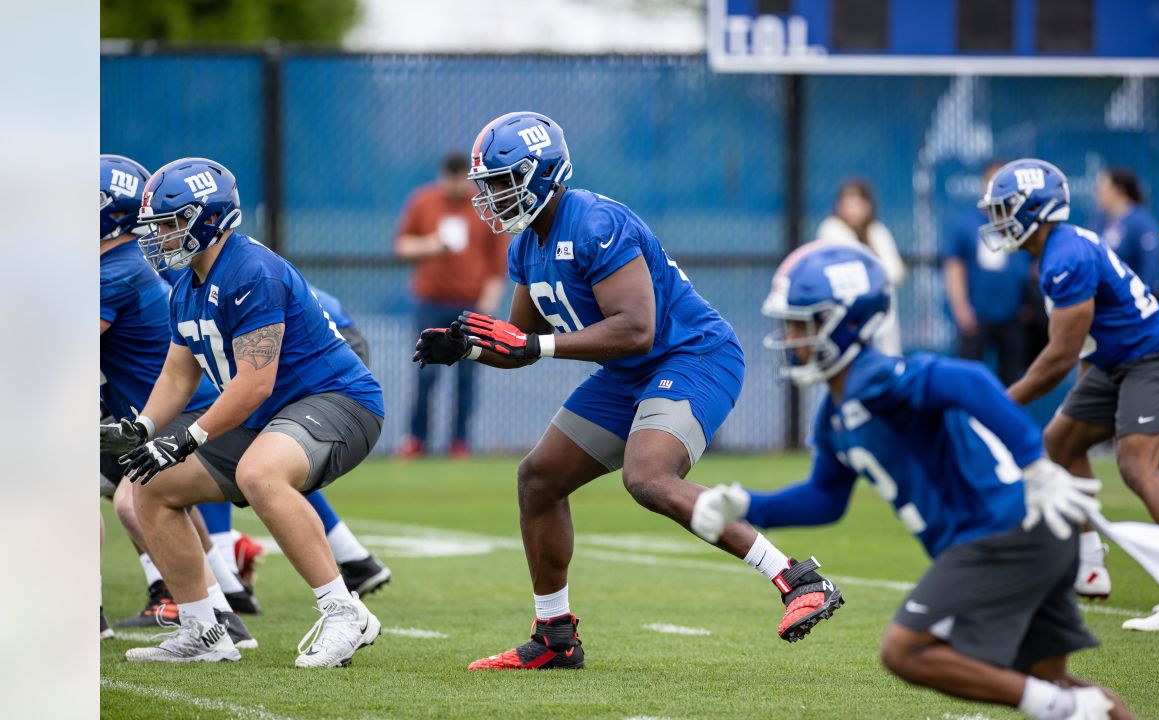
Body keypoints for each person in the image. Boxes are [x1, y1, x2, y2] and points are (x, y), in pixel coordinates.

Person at [414, 112, 844, 670]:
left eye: (501, 181)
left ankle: (796, 579)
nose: (492, 196)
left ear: (544, 173)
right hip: (630, 371)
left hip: (692, 356)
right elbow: (525, 340)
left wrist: (532, 347)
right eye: (487, 184)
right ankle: (554, 637)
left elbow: (635, 327)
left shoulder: (595, 222)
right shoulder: (527, 245)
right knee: (539, 478)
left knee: (648, 477)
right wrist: (469, 347)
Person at [693, 240, 1133, 720]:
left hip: (1004, 532)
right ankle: (1064, 703)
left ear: (849, 320)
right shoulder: (835, 411)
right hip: (1026, 536)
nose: (791, 334)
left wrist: (1036, 463)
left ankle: (1055, 706)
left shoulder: (877, 378)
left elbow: (969, 380)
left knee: (905, 650)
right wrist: (748, 506)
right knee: (1058, 683)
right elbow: (825, 499)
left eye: (804, 321)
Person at [101, 157, 385, 665]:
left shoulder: (250, 269)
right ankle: (203, 631)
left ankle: (345, 611)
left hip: (338, 402)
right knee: (147, 485)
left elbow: (255, 381)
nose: (159, 236)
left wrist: (188, 437)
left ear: (208, 219)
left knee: (260, 472)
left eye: (170, 223)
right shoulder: (186, 287)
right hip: (270, 415)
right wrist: (143, 427)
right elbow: (177, 374)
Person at [981, 159, 1159, 629]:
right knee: (1060, 441)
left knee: (1137, 463)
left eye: (1006, 208)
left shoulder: (1064, 256)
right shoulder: (1058, 250)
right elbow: (1088, 340)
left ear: (1035, 208)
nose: (998, 220)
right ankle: (1089, 562)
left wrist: (999, 405)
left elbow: (1061, 354)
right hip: (1118, 360)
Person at [99, 155, 259, 646]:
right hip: (153, 410)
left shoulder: (114, 272)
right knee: (140, 494)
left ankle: (211, 617)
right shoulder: (119, 266)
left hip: (187, 410)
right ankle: (221, 603)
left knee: (134, 497)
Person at [394, 152, 508, 458]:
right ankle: (416, 439)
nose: (455, 186)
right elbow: (401, 246)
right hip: (430, 302)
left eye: (461, 180)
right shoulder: (423, 201)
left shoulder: (484, 206)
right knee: (426, 371)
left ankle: (460, 441)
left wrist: (487, 309)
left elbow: (498, 265)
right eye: (450, 178)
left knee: (467, 375)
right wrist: (432, 245)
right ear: (442, 175)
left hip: (469, 306)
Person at [943, 161, 1036, 385]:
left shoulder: (1023, 223)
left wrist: (1033, 304)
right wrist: (961, 308)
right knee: (968, 379)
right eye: (993, 182)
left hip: (1013, 317)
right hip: (977, 316)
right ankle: (967, 421)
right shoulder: (966, 223)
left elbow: (1035, 264)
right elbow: (954, 267)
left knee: (1013, 382)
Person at [815, 179, 906, 354]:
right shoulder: (831, 229)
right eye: (848, 204)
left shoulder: (877, 231)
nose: (853, 210)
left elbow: (895, 271)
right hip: (846, 318)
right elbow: (851, 272)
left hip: (881, 318)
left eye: (858, 204)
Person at [1089, 167, 1159, 299]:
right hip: (1107, 302)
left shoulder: (1140, 221)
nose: (1098, 194)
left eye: (1102, 189)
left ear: (1119, 190)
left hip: (1135, 303)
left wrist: (1140, 296)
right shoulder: (1099, 221)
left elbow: (1151, 264)